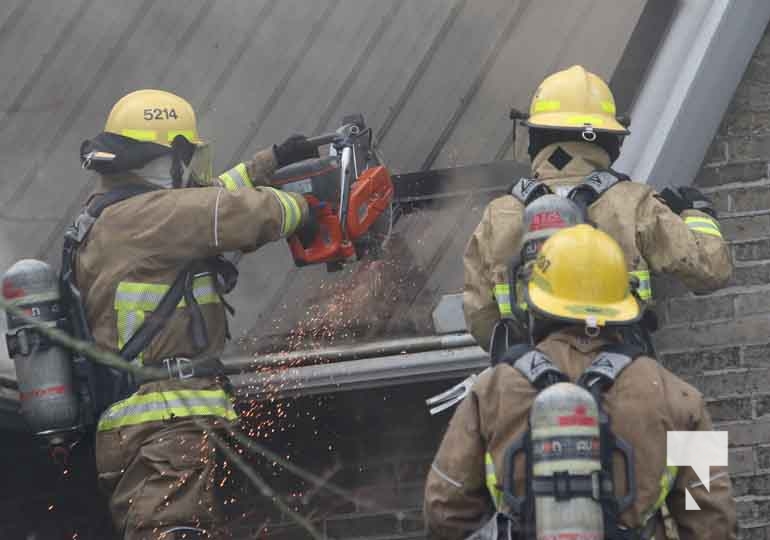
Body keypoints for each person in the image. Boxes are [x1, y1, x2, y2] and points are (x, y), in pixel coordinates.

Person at [68, 89, 322, 539]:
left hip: (161, 430)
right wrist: (305, 206)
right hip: (162, 435)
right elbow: (232, 212)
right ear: (163, 157)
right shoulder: (150, 218)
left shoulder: (122, 214)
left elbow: (210, 197)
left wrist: (272, 161)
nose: (191, 170)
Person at [425, 225, 736, 540]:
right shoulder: (681, 397)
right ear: (622, 304)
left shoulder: (490, 390)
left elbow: (444, 509)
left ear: (537, 303)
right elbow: (713, 520)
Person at [463, 65, 732, 353]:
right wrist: (697, 214)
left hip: (532, 377)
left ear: (536, 136)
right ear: (608, 138)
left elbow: (480, 317)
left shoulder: (499, 215)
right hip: (620, 376)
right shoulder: (634, 204)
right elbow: (711, 271)